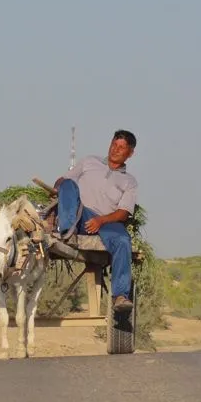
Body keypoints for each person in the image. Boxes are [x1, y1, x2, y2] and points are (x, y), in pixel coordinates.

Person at [52, 129, 138, 313]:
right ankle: (66, 231)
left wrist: (100, 221)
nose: (115, 149)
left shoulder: (129, 181)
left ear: (130, 153)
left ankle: (120, 295)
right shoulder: (89, 161)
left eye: (121, 147)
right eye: (114, 144)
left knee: (123, 241)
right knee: (68, 184)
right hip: (80, 214)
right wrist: (59, 184)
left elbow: (123, 213)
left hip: (108, 221)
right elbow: (64, 180)